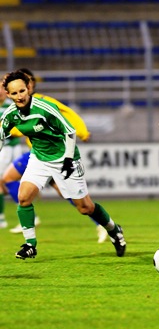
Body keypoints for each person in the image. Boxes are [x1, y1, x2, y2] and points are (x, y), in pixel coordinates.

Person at [0, 69, 126, 259]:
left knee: (85, 208)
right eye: (15, 93)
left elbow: (69, 131)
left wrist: (68, 159)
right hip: (39, 158)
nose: (19, 96)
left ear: (28, 89)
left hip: (64, 158)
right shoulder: (11, 114)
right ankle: (30, 245)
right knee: (24, 197)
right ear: (9, 95)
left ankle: (114, 230)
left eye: (22, 91)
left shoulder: (45, 108)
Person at [0, 85, 23, 228]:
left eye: (1, 89)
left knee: (7, 180)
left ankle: (2, 218)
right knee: (6, 181)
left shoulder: (12, 106)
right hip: (4, 148)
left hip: (11, 147)